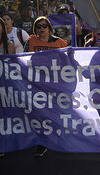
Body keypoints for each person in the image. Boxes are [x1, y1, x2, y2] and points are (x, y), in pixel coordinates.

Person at [24, 16, 68, 157]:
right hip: (37, 85)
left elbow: (68, 63)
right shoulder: (30, 42)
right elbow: (21, 59)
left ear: (49, 28)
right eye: (38, 26)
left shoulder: (60, 43)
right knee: (40, 114)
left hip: (55, 85)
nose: (41, 28)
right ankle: (42, 143)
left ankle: (60, 140)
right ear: (35, 30)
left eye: (44, 26)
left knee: (56, 113)